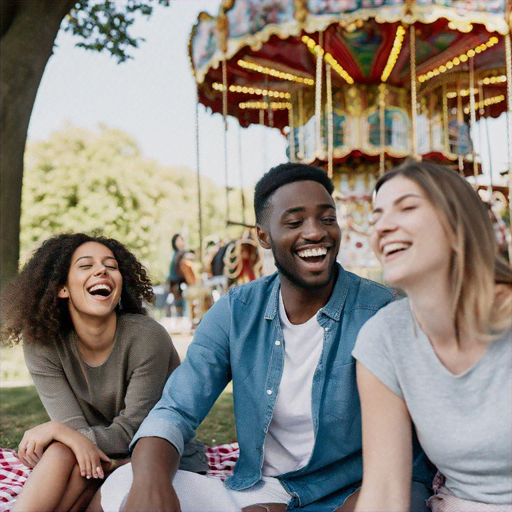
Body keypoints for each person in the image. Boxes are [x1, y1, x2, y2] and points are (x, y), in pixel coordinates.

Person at [98, 163, 434, 512]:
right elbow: (176, 409)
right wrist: (150, 483)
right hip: (267, 490)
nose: (316, 232)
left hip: (362, 487)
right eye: (294, 222)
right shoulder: (235, 312)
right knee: (125, 485)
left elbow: (418, 438)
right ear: (263, 236)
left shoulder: (380, 310)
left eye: (327, 218)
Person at [1, 233, 207, 512]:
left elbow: (131, 431)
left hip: (155, 460)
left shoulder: (147, 338)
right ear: (62, 288)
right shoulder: (42, 345)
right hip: (86, 460)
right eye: (86, 266)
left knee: (64, 449)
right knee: (65, 450)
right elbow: (72, 430)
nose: (102, 270)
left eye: (111, 266)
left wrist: (57, 431)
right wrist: (66, 434)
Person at [352, 161, 512, 512]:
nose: (383, 227)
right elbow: (383, 492)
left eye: (407, 207)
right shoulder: (383, 339)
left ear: (458, 226)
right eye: (375, 217)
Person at [166, 234, 196, 318]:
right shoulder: (177, 255)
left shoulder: (183, 254)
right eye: (178, 241)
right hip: (175, 283)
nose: (180, 243)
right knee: (176, 304)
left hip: (182, 283)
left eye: (181, 240)